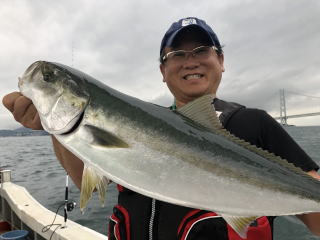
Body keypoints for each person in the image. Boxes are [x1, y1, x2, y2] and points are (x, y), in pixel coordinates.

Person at [3, 17, 320, 240]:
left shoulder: (253, 123)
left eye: (202, 50)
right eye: (177, 54)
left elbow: (315, 216)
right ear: (162, 70)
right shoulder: (143, 118)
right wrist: (54, 129)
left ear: (221, 60)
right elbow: (85, 172)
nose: (190, 61)